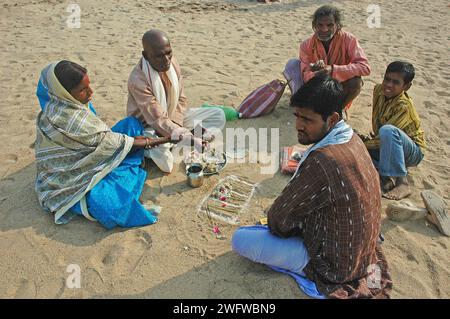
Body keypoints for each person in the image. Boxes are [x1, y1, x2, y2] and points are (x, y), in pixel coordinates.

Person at [232, 75, 392, 299]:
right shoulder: (352, 138)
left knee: (241, 240)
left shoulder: (323, 160)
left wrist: (287, 226)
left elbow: (279, 220)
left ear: (332, 119)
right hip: (362, 254)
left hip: (336, 265)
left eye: (307, 120)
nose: (298, 125)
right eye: (297, 116)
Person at [35, 60, 167, 229]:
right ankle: (125, 173)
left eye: (89, 85)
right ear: (65, 93)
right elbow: (119, 142)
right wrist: (167, 139)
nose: (91, 92)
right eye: (83, 90)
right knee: (109, 204)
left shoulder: (61, 104)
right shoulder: (69, 120)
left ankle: (128, 166)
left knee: (131, 124)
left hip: (92, 151)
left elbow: (105, 139)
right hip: (72, 179)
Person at [127, 29, 226, 173]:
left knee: (218, 115)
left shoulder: (172, 64)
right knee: (167, 163)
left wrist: (177, 126)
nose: (166, 60)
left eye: (168, 53)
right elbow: (156, 119)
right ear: (146, 56)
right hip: (148, 128)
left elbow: (181, 99)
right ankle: (175, 141)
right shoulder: (138, 80)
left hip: (173, 117)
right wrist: (181, 133)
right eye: (159, 56)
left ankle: (183, 137)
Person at [283, 5, 370, 113]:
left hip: (339, 88)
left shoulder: (349, 39)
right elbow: (305, 75)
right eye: (320, 25)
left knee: (356, 81)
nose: (324, 29)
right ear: (314, 25)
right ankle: (305, 105)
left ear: (337, 25)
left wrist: (333, 70)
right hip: (317, 87)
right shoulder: (306, 45)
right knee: (292, 64)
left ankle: (338, 110)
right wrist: (315, 71)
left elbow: (365, 67)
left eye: (330, 25)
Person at [359, 61, 425, 200]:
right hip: (385, 141)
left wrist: (364, 144)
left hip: (411, 151)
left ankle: (402, 182)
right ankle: (385, 178)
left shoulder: (403, 106)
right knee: (353, 137)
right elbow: (378, 120)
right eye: (387, 79)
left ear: (406, 87)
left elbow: (388, 133)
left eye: (396, 82)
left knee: (387, 132)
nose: (389, 85)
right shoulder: (378, 90)